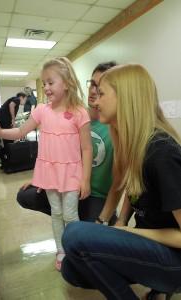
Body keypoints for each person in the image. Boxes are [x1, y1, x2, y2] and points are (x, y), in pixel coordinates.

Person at [61, 64, 181, 300]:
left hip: (175, 261)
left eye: (102, 94)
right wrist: (122, 221)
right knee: (71, 268)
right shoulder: (135, 145)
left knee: (74, 234)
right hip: (155, 249)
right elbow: (134, 189)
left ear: (125, 98)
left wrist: (129, 232)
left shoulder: (162, 153)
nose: (95, 102)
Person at [0, 57, 93, 271]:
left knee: (71, 214)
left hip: (72, 172)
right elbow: (19, 131)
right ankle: (61, 250)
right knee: (56, 212)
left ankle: (75, 249)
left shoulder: (80, 112)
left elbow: (86, 148)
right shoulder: (42, 111)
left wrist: (85, 179)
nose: (45, 87)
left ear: (67, 82)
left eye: (50, 82)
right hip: (50, 173)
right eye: (43, 83)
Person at [17, 62, 120, 224]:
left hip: (96, 195)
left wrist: (104, 217)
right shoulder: (75, 113)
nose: (93, 90)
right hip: (68, 182)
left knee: (94, 233)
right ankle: (65, 216)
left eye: (100, 86)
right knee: (25, 195)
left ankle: (85, 219)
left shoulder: (115, 127)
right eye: (92, 84)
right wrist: (44, 178)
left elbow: (119, 181)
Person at [0, 92, 27, 157]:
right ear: (22, 97)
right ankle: (9, 155)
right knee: (8, 137)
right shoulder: (17, 99)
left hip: (0, 117)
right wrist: (13, 119)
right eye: (25, 100)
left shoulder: (14, 99)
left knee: (2, 136)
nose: (25, 102)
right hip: (4, 118)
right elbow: (11, 105)